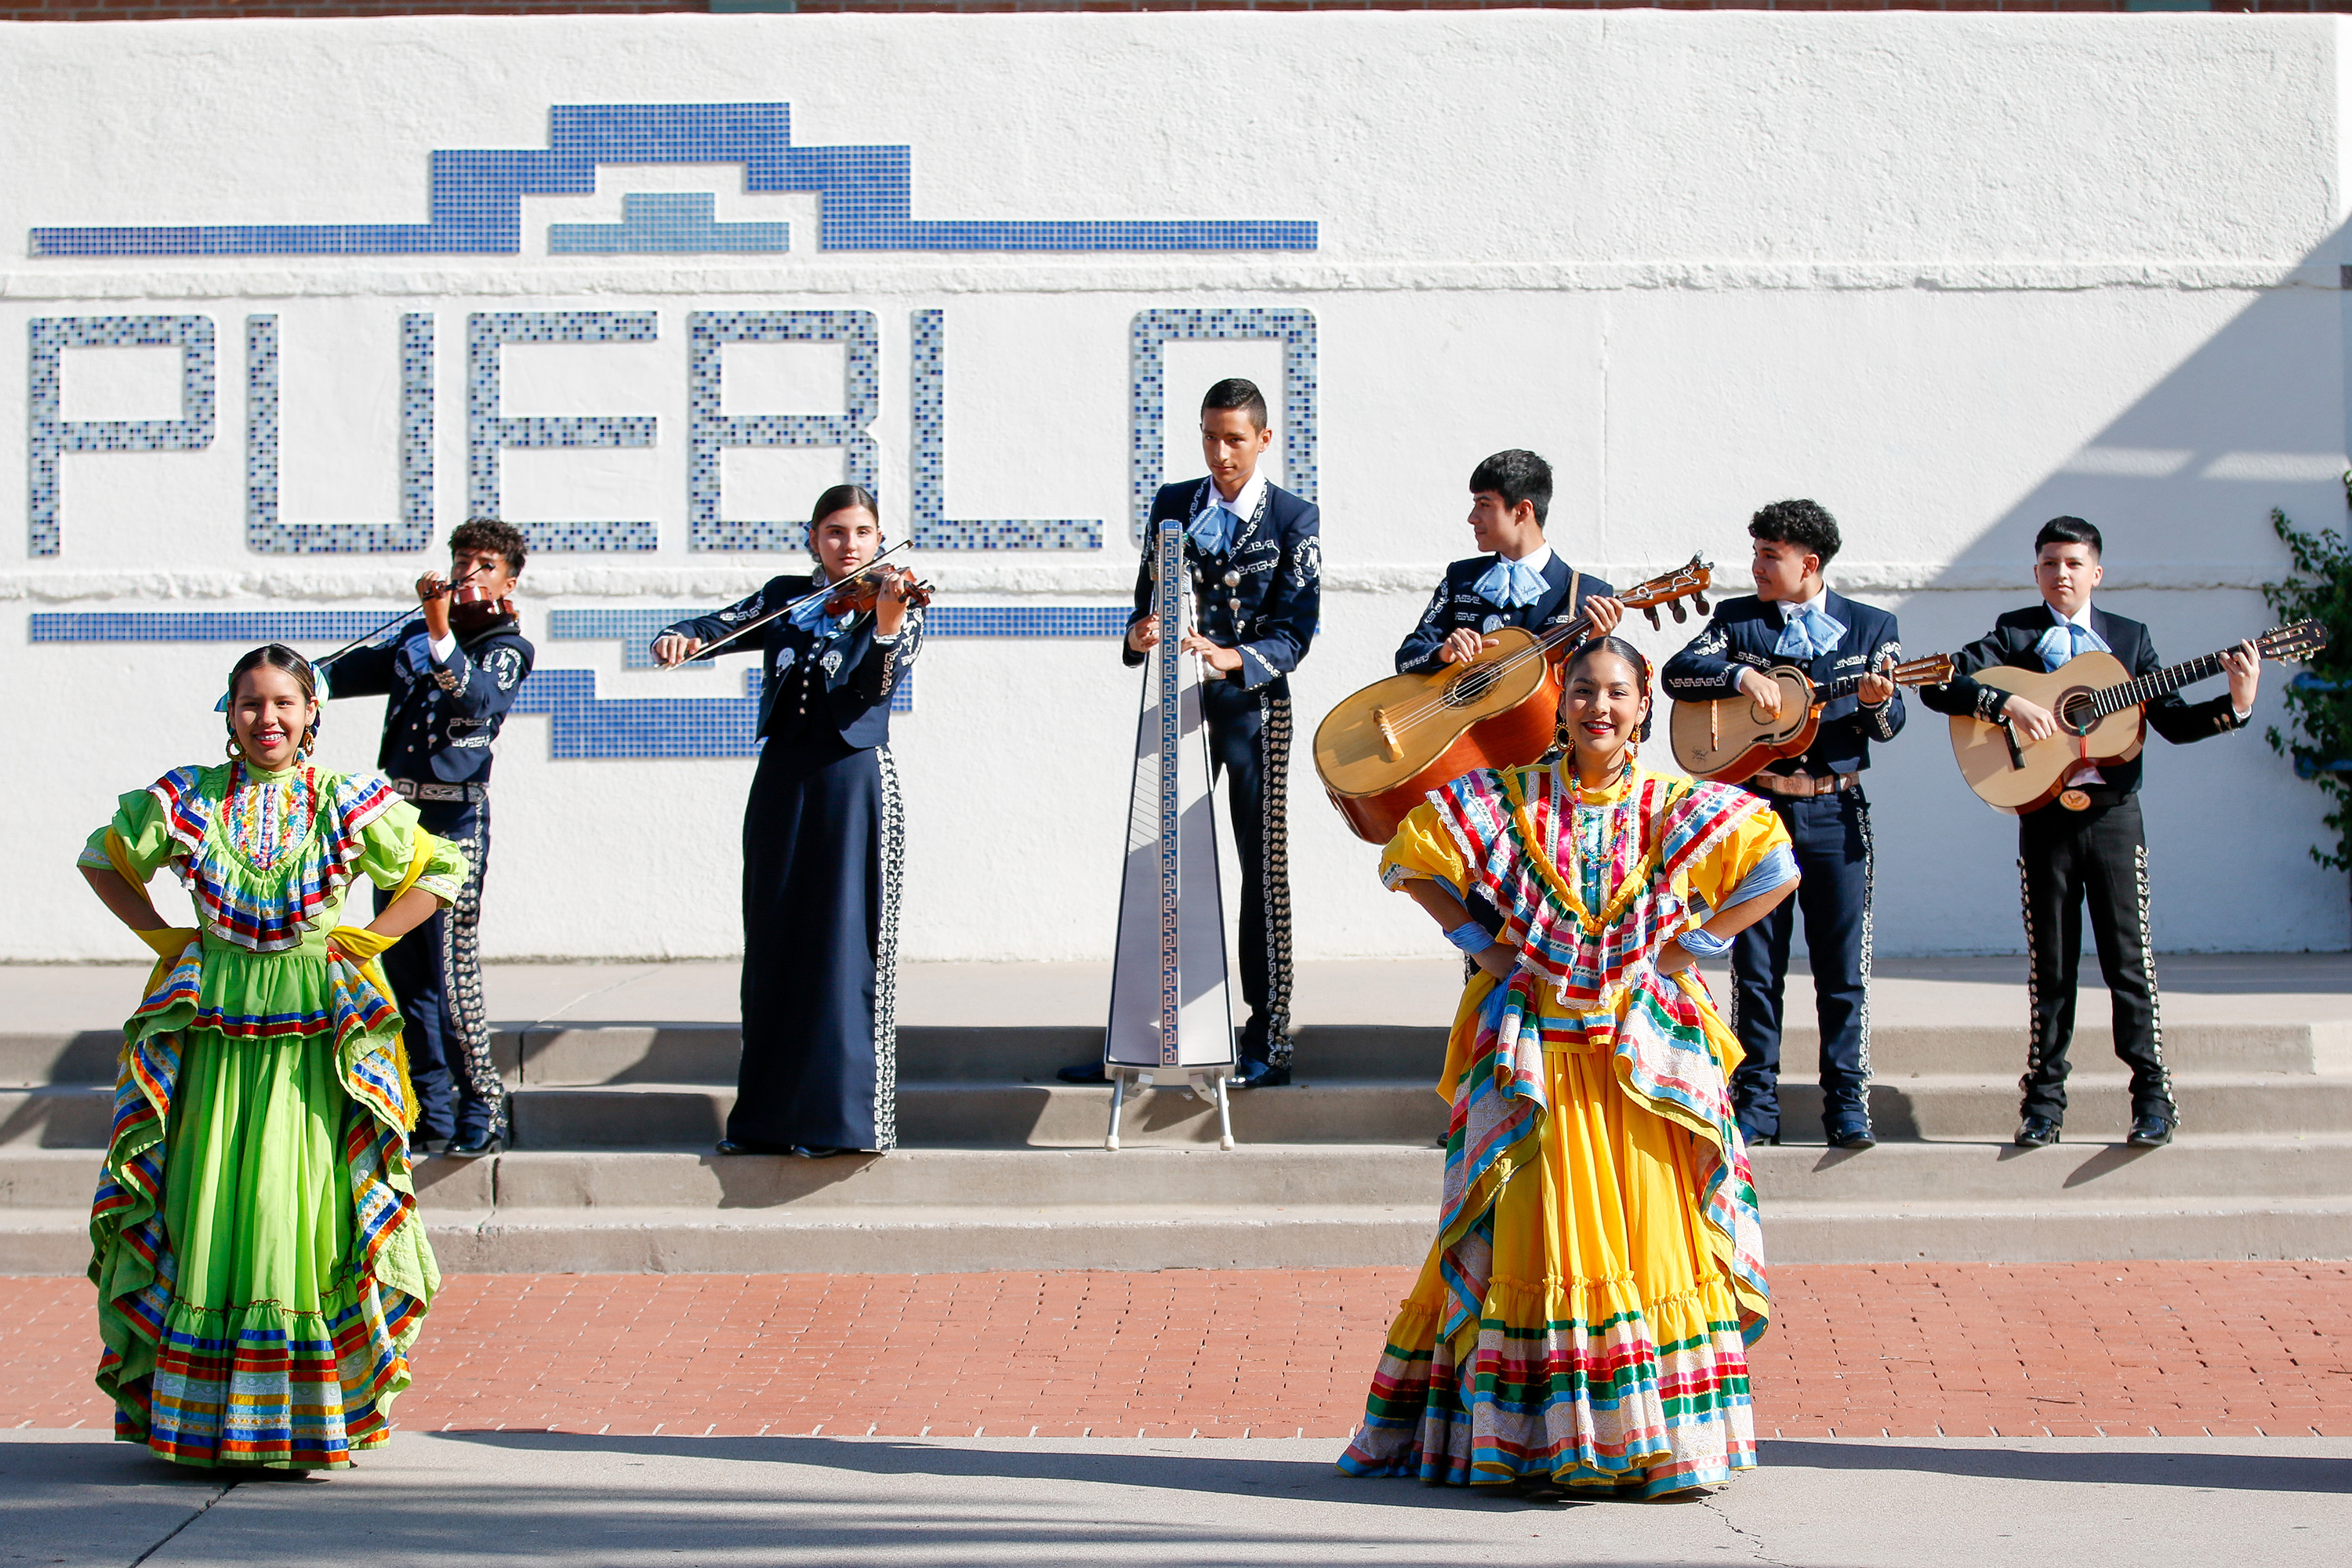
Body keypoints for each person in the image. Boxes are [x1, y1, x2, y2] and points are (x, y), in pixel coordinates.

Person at [1340, 636, 1795, 1499]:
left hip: (1639, 1071)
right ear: (1561, 703)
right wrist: (1481, 942)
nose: (1598, 708)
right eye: (1582, 691)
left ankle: (1652, 1442)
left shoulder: (1672, 805)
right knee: (1538, 1237)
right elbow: (1409, 850)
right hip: (1540, 1065)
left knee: (1650, 1242)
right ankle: (1540, 1442)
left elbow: (1771, 865)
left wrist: (1693, 946)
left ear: (1643, 702)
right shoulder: (1510, 800)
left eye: (1616, 693)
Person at [78, 644, 466, 1469]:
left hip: (314, 1029)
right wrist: (164, 935)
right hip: (215, 1025)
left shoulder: (347, 796)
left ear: (312, 712)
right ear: (229, 713)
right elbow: (103, 858)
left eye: (286, 702)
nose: (269, 719)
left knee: (299, 1206)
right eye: (252, 703)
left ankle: (296, 1419)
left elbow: (438, 866)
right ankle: (203, 1419)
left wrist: (368, 941)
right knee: (206, 1196)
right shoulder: (187, 795)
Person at [1918, 517, 2259, 1149]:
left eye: (2074, 563)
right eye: (2050, 563)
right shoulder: (2014, 633)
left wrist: (2235, 703)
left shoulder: (2130, 639)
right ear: (2037, 572)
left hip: (2112, 818)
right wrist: (2006, 704)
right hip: (2044, 816)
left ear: (2096, 572)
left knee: (2129, 962)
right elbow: (1940, 684)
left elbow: (2176, 724)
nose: (2062, 574)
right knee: (2052, 965)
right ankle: (2043, 1105)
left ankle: (2153, 1100)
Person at [1059, 377, 1321, 1089]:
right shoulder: (1174, 504)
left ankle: (1268, 1036)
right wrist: (1143, 633)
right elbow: (1146, 603)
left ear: (1264, 439)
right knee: (1155, 860)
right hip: (1176, 704)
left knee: (1260, 871)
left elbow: (1298, 631)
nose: (1220, 451)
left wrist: (1230, 656)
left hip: (1253, 709)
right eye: (1210, 435)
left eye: (1234, 437)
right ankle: (1139, 1036)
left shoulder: (1294, 517)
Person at [652, 484, 924, 1158]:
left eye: (862, 532)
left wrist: (886, 623)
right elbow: (724, 626)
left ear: (877, 536)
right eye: (835, 532)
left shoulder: (897, 600)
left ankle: (842, 1122)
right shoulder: (786, 595)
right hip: (782, 779)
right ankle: (768, 1120)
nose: (850, 545)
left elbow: (877, 687)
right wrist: (681, 636)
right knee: (774, 940)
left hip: (851, 779)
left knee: (841, 945)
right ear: (813, 538)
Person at [1661, 499, 1904, 1151]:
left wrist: (1879, 703)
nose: (1757, 567)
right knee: (1756, 963)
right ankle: (1755, 1105)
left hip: (1835, 809)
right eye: (1757, 552)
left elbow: (1890, 724)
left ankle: (1848, 1104)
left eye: (1770, 555)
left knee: (1841, 966)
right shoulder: (1739, 620)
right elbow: (1676, 672)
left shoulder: (1872, 629)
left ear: (1809, 563)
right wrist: (1740, 674)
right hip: (1758, 811)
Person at [319, 518, 532, 1156]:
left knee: (450, 969)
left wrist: (442, 628)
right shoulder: (415, 638)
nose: (469, 572)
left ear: (509, 580)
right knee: (404, 969)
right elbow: (336, 674)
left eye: (485, 565)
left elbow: (476, 703)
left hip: (456, 823)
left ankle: (483, 1106)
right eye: (463, 560)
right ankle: (427, 1109)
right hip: (397, 822)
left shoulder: (506, 647)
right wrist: (283, 680)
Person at [1393, 448, 1624, 677]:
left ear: (1523, 510)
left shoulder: (1589, 592)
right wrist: (1443, 653)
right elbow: (1406, 657)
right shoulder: (1461, 577)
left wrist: (1598, 641)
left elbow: (1586, 691)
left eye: (1484, 505)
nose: (1472, 518)